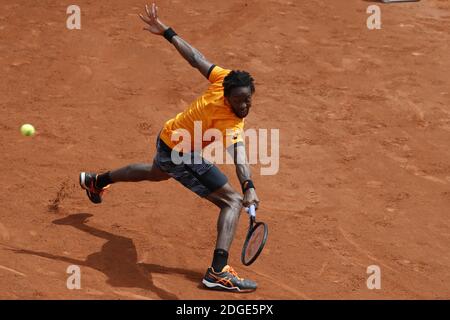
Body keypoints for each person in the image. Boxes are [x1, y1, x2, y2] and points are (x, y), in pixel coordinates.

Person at [79, 3, 260, 293]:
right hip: (180, 150)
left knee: (156, 172)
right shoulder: (229, 118)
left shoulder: (223, 79)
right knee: (233, 201)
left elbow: (196, 58)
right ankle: (218, 272)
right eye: (240, 101)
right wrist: (248, 185)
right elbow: (239, 156)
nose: (245, 106)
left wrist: (167, 31)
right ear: (227, 96)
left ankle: (96, 181)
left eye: (249, 100)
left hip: (168, 136)